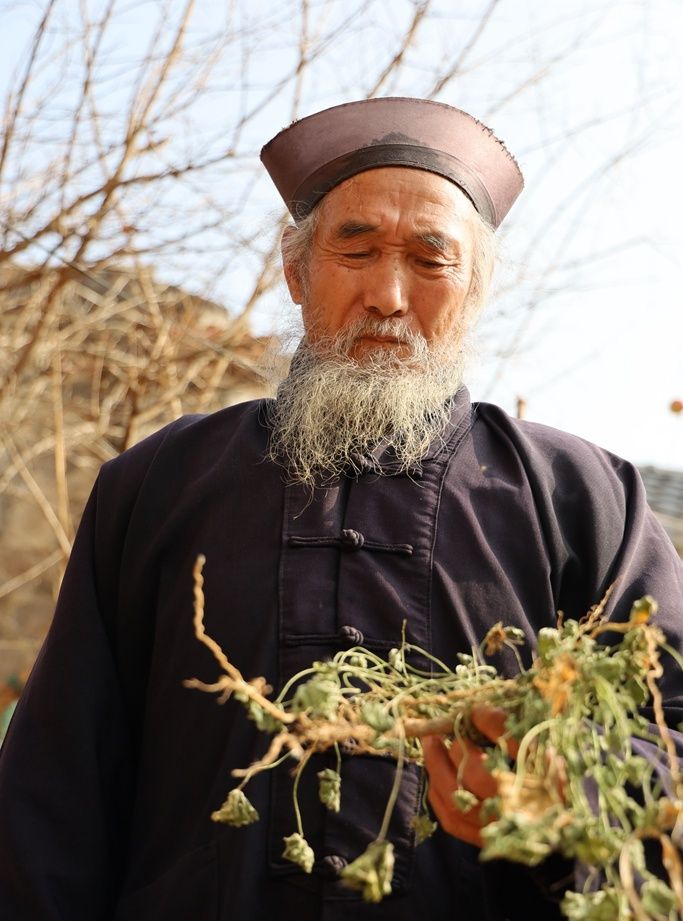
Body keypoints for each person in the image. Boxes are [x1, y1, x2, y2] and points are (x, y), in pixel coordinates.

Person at [0, 97, 681, 921]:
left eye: (431, 260)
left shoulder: (583, 499)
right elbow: (54, 795)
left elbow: (666, 730)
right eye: (353, 249)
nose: (389, 295)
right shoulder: (156, 486)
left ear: (474, 288)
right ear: (295, 270)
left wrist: (552, 787)